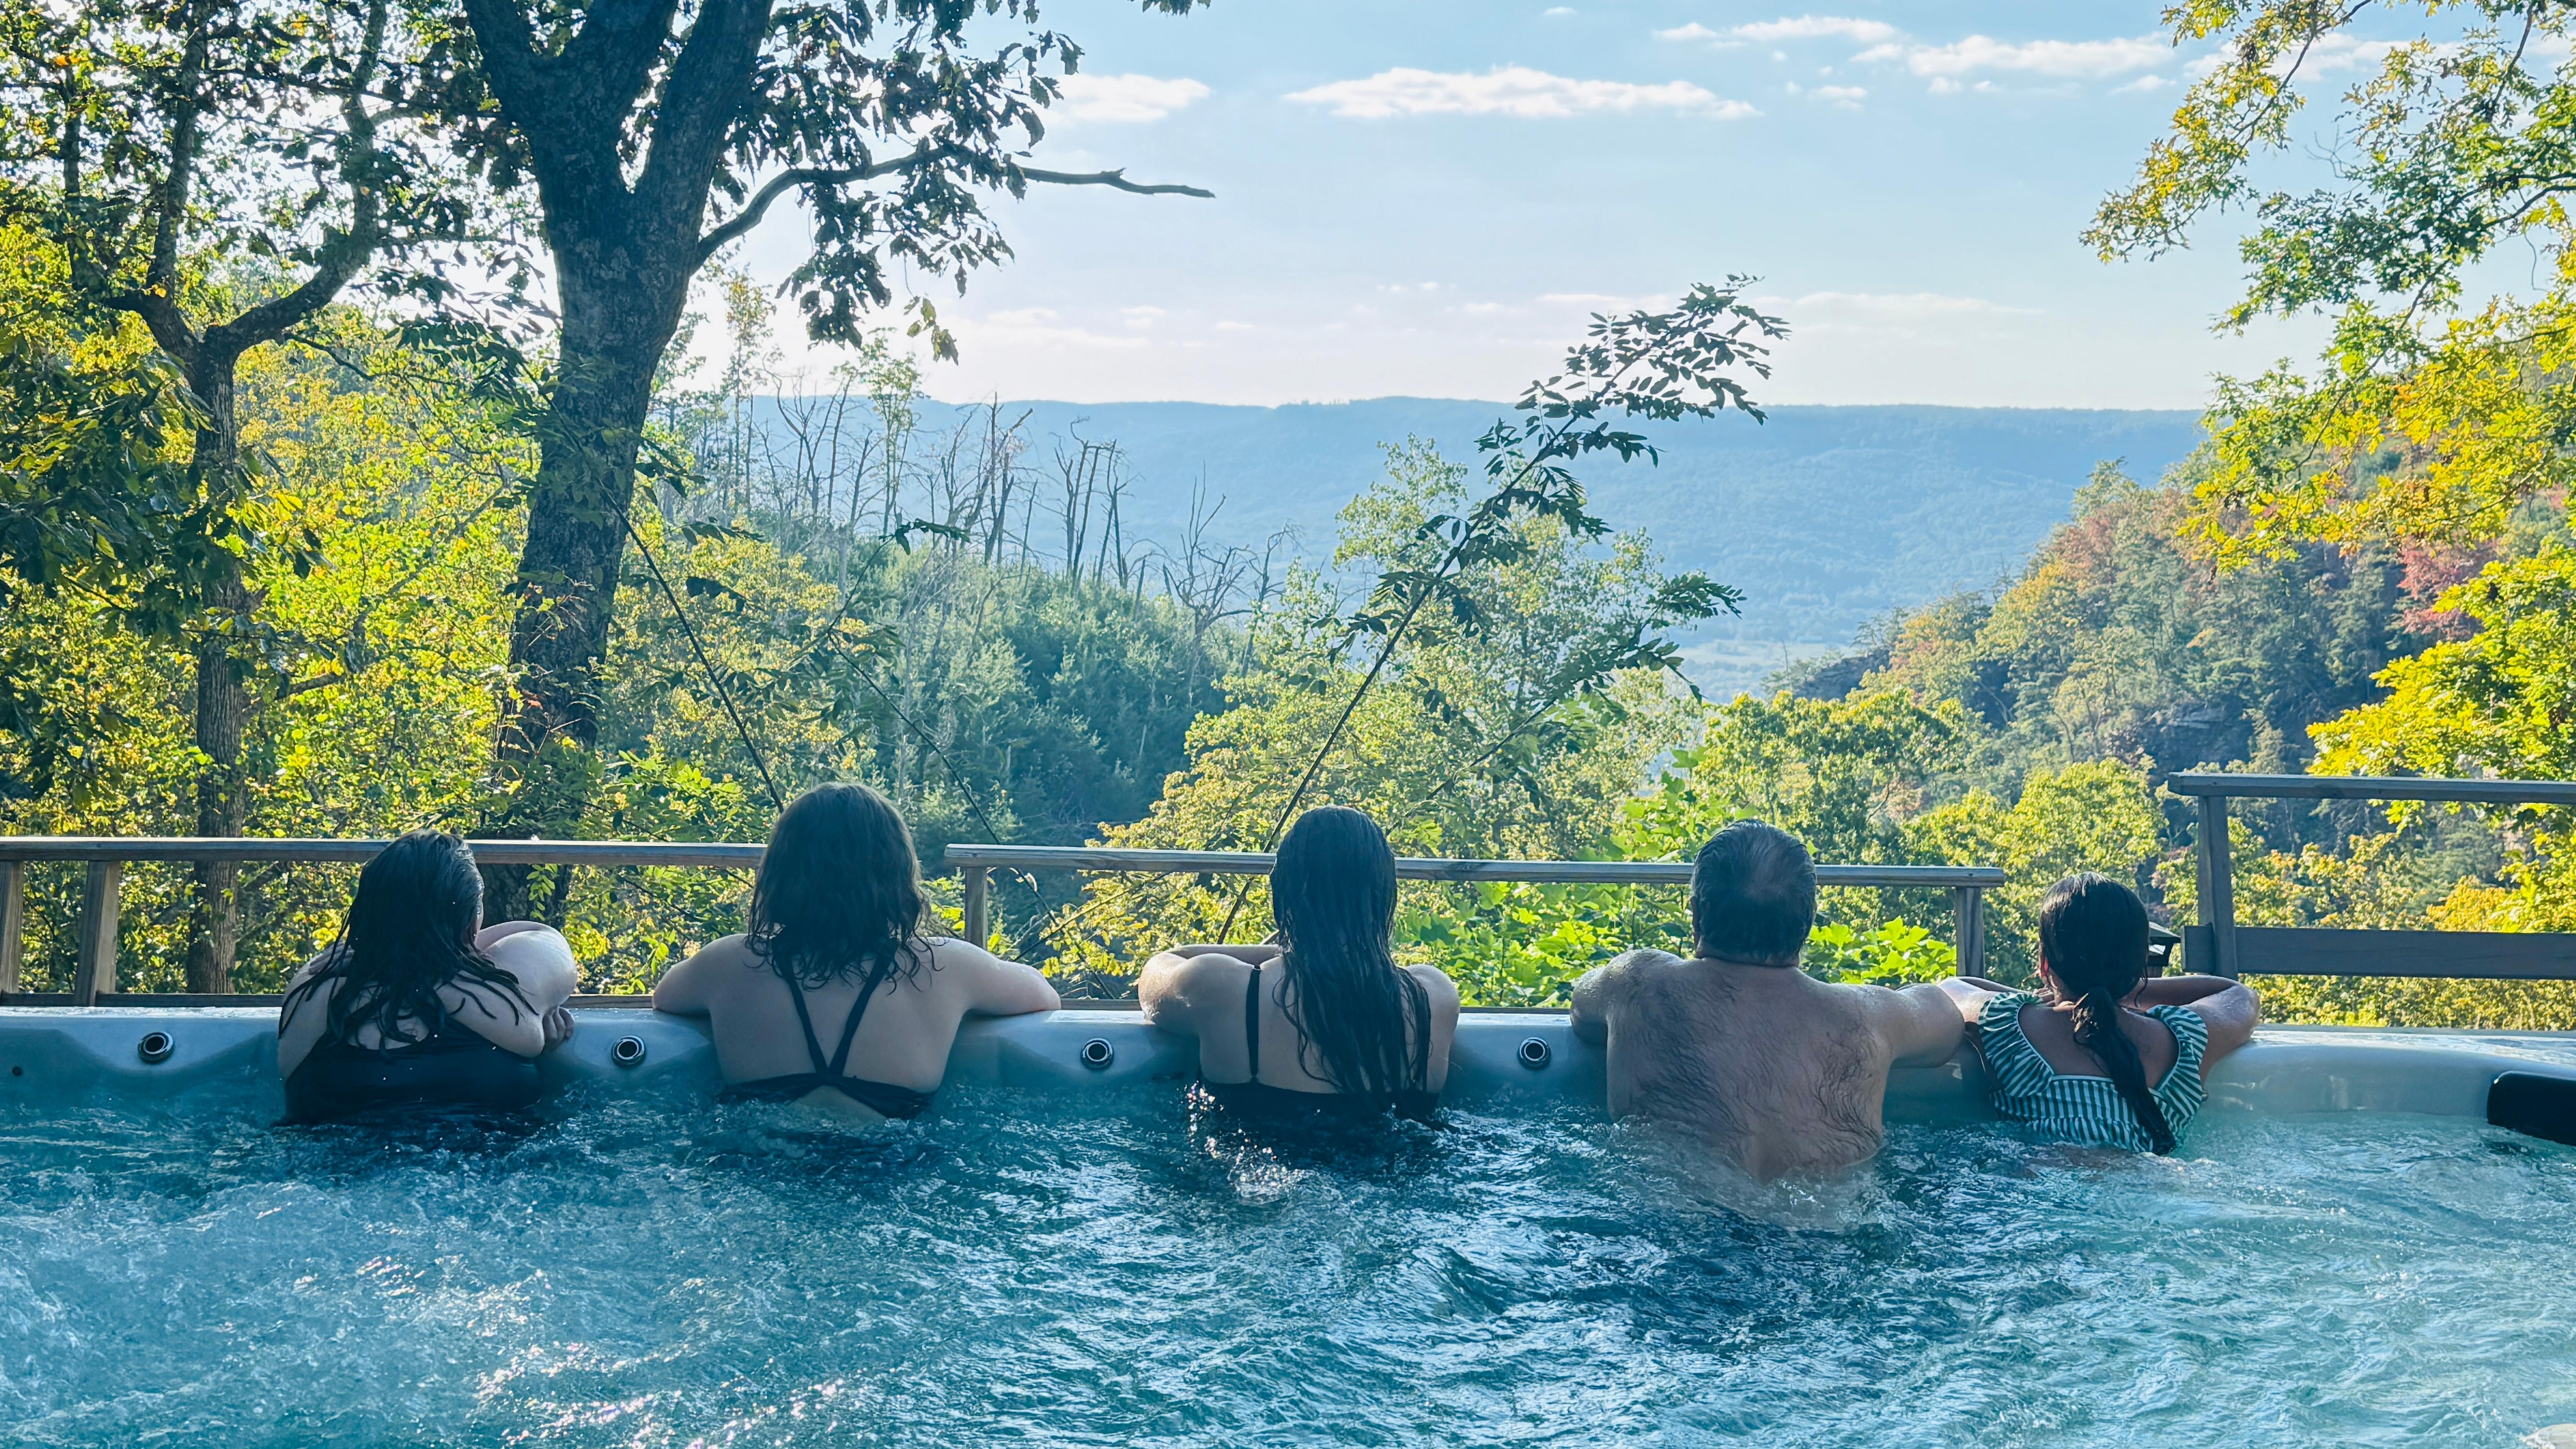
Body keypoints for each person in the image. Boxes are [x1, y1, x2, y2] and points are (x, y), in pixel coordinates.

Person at [1569, 820, 1967, 1180]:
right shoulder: (1869, 1017)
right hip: (1822, 1230)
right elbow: (1948, 1020)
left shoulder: (1637, 984)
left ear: (1697, 915)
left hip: (1675, 1223)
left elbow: (1581, 1011)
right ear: (1806, 922)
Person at [652, 782, 1060, 1120]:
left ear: (780, 874)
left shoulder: (727, 964)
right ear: (896, 874)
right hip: (887, 1170)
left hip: (763, 1165)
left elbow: (666, 997)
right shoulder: (944, 966)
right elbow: (1044, 995)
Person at [1140, 806, 1460, 1120]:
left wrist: (1292, 951)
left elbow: (1156, 972)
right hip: (1398, 1155)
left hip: (1259, 1154)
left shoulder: (1222, 988)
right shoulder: (1432, 998)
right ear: (1384, 894)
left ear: (1285, 889)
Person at [1945, 872, 2261, 1154]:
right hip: (2154, 1185)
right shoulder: (2183, 1042)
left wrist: (2041, 998)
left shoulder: (2010, 1027)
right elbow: (2237, 995)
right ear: (2140, 964)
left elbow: (1953, 987)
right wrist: (2124, 990)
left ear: (2044, 963)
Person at [277, 830, 580, 1122]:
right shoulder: (500, 995)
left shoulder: (315, 991)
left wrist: (392, 953)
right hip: (480, 1150)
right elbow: (542, 934)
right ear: (471, 920)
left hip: (333, 1153)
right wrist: (438, 952)